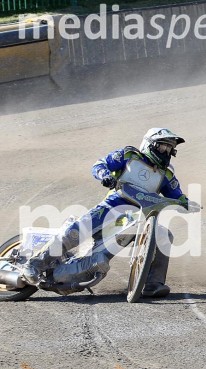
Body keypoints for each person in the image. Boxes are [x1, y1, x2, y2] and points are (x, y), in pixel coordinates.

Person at [25, 128, 189, 298]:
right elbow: (100, 164)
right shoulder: (129, 155)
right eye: (162, 147)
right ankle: (35, 263)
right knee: (77, 231)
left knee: (163, 234)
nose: (166, 152)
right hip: (111, 207)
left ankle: (152, 284)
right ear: (150, 144)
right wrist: (104, 175)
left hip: (138, 217)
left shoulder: (166, 175)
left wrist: (187, 203)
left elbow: (177, 195)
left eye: (170, 149)